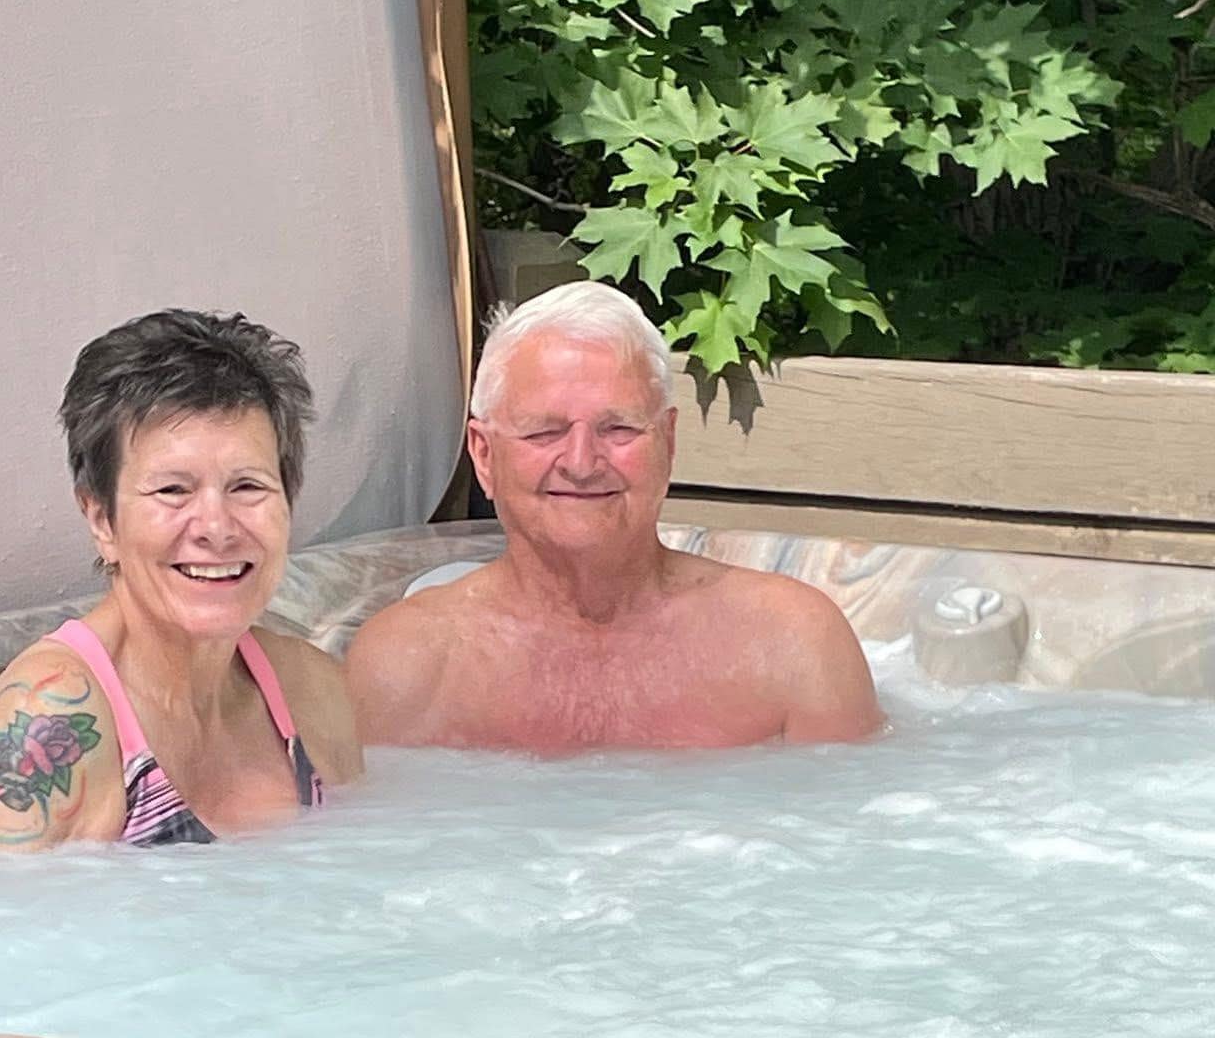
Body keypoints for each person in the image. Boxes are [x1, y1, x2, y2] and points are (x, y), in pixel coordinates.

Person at [0, 309, 361, 853]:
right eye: (172, 491)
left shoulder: (312, 691)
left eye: (248, 486)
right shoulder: (47, 720)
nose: (217, 528)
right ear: (101, 520)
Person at [344, 284, 882, 754]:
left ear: (668, 444)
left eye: (618, 429)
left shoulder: (790, 645)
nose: (581, 463)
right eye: (543, 431)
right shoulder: (404, 666)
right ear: (484, 455)